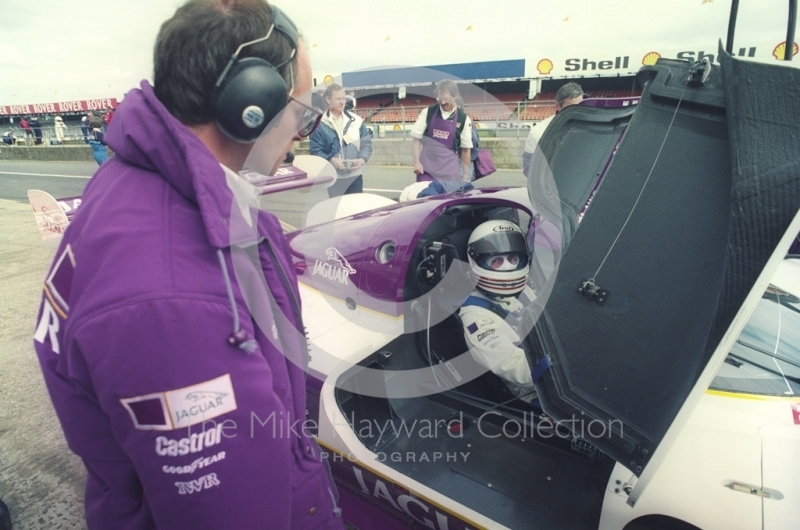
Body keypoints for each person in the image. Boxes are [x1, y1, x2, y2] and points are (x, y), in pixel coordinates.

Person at [32, 2, 341, 529]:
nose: (301, 134)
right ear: (251, 104)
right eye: (301, 112)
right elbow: (228, 511)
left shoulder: (137, 182)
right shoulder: (172, 306)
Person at [459, 220, 537, 403]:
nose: (508, 267)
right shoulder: (476, 319)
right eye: (497, 261)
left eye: (512, 259)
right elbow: (518, 370)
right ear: (478, 263)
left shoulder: (522, 291)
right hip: (537, 393)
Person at [309, 83, 373, 196]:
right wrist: (331, 160)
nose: (342, 102)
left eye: (344, 98)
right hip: (333, 177)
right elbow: (316, 151)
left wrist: (362, 159)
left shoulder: (356, 121)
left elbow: (366, 144)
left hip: (355, 177)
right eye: (338, 99)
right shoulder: (319, 123)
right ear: (328, 100)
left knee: (355, 211)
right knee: (338, 212)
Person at [411, 79, 474, 192]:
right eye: (439, 99)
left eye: (446, 99)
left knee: (447, 205)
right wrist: (416, 162)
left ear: (455, 97)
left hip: (449, 173)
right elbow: (416, 139)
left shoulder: (463, 119)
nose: (442, 102)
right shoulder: (428, 112)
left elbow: (465, 150)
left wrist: (465, 176)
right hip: (426, 170)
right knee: (426, 202)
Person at [522, 82, 585, 175]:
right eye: (571, 108)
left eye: (580, 106)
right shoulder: (538, 131)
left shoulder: (592, 127)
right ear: (558, 106)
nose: (576, 111)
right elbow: (529, 168)